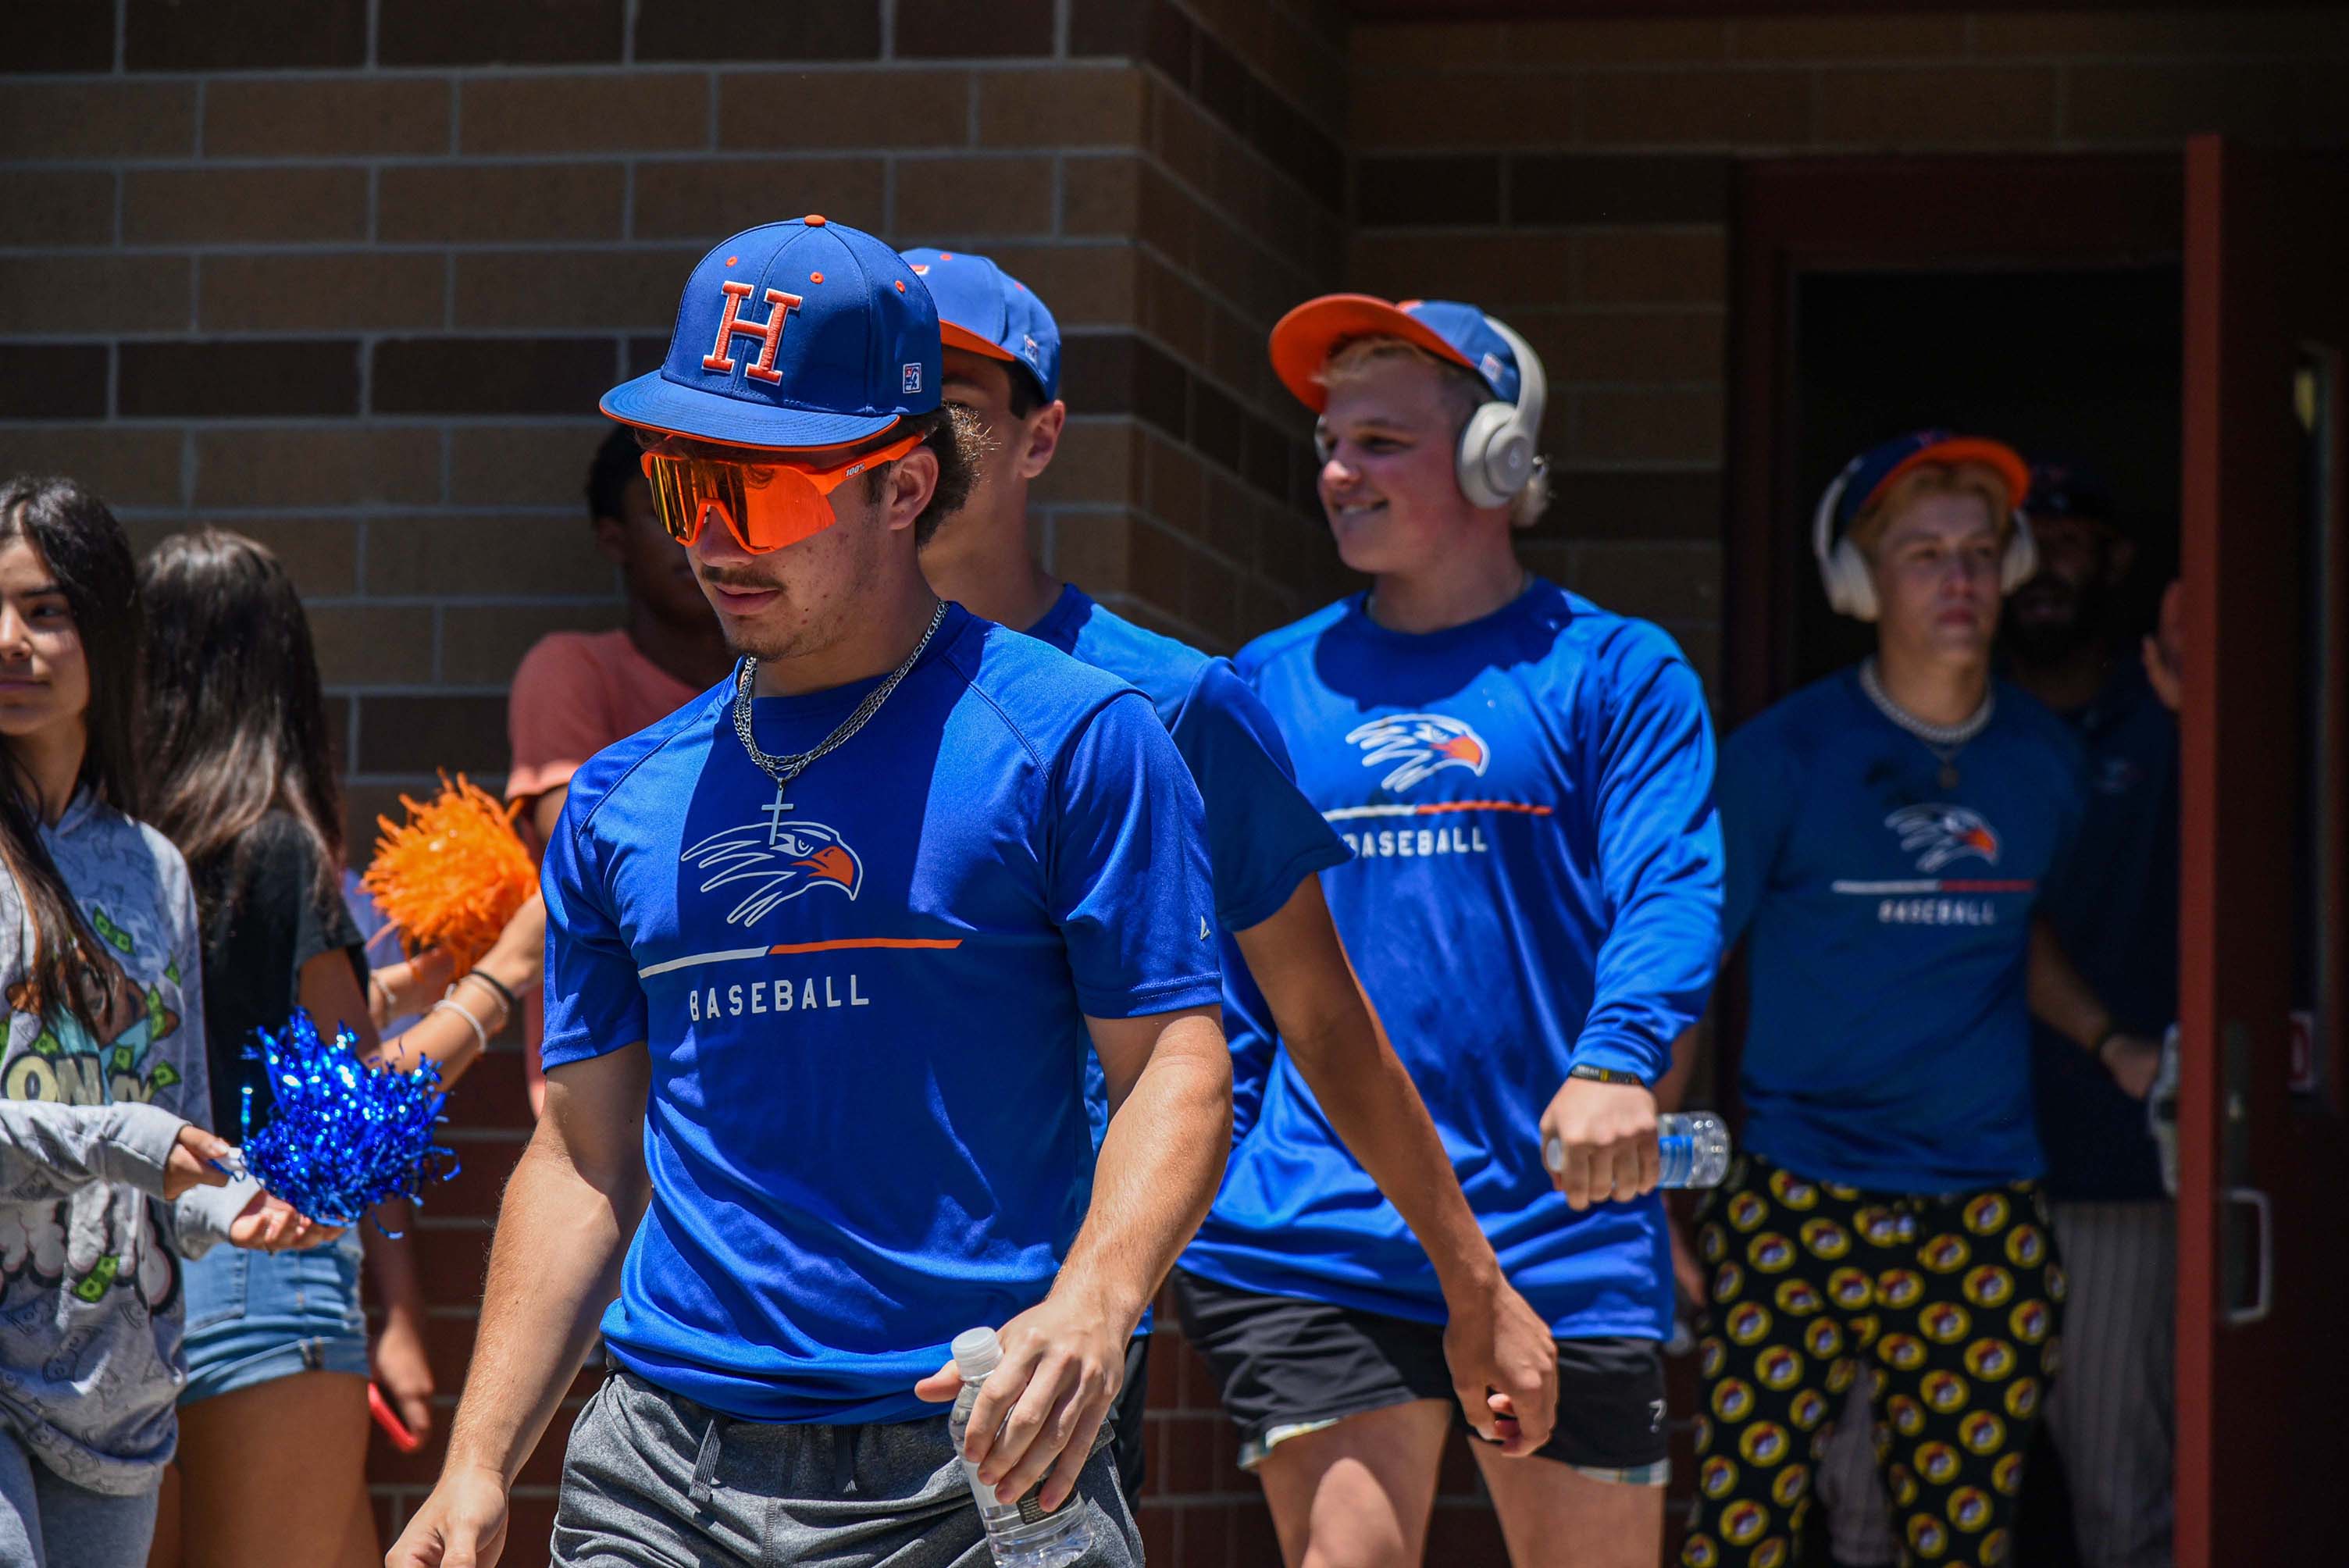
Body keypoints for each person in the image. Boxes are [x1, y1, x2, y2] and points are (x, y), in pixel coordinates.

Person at [387, 216, 1232, 1568]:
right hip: (657, 1472)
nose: (710, 540)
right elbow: (584, 1149)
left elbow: (1177, 1064)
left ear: (902, 486)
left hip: (973, 1466)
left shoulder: (1076, 736)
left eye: (763, 490)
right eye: (684, 483)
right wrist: (480, 1457)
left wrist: (1095, 1301)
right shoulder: (620, 794)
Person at [904, 249, 1561, 1517]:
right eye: (878, 402)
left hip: (1030, 1348)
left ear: (1041, 437)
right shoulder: (767, 706)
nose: (908, 439)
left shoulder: (1166, 701)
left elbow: (1316, 1012)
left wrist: (1469, 1279)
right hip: (747, 1360)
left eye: (953, 404)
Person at [1169, 295, 1725, 1568]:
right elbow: (1232, 966)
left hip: (1561, 1226)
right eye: (1329, 439)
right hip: (1315, 1224)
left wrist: (1616, 1061)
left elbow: (1669, 887)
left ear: (1496, 458)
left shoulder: (1615, 669)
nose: (1335, 470)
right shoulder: (1260, 683)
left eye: (1379, 441)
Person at [1678, 433, 2162, 1568]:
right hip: (1794, 1197)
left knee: (1962, 1542)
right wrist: (1658, 1187)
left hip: (1983, 1206)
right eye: (1923, 554)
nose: (1959, 581)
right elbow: (1685, 965)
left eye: (1982, 553)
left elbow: (2014, 919)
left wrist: (2104, 1038)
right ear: (1860, 581)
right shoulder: (1781, 757)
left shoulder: (2045, 761)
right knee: (1741, 1530)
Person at [134, 529, 544, 1568]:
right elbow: (339, 1122)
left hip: (121, 1285)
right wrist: (501, 980)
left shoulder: (117, 848)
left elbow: (246, 1032)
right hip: (264, 1276)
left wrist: (408, 982)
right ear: (281, 677)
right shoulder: (275, 844)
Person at [0, 477, 330, 1568]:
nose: (14, 641)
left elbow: (178, 1134)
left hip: (119, 1390)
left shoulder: (155, 871)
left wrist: (238, 1206)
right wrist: (127, 1142)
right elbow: (139, 1139)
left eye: (46, 609)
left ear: (106, 627)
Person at [2003, 461, 2178, 1568]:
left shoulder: (2167, 723)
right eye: (2027, 542)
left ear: (2116, 561)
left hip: (2116, 1168)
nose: (2045, 567)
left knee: (2125, 1489)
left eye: (2073, 541)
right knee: (1912, 1491)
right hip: (1944, 1170)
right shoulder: (1950, 720)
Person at [504, 428, 734, 1114]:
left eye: (722, 504)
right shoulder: (573, 669)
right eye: (670, 510)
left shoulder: (797, 688)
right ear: (614, 540)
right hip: (612, 1101)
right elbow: (591, 856)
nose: (703, 532)